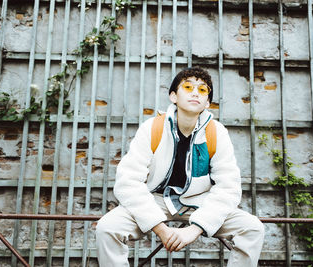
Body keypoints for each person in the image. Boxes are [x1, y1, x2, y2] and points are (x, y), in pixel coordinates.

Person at [96, 67, 264, 266]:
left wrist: (195, 229)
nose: (195, 92)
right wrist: (161, 229)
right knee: (107, 228)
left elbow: (229, 187)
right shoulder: (152, 128)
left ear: (208, 102)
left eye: (203, 90)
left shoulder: (216, 133)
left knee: (253, 228)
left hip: (199, 202)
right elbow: (128, 182)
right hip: (156, 200)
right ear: (173, 96)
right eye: (188, 87)